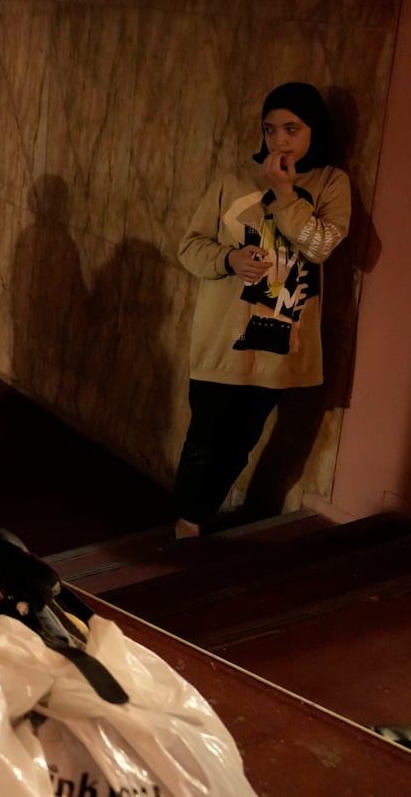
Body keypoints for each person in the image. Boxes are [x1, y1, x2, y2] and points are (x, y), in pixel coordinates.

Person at [172, 82, 351, 540]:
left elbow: (320, 246)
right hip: (223, 336)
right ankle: (186, 525)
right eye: (271, 130)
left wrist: (286, 193)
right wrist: (228, 259)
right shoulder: (232, 180)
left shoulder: (331, 183)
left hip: (278, 338)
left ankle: (200, 515)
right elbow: (189, 247)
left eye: (293, 129)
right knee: (205, 439)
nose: (280, 141)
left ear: (316, 130)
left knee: (240, 442)